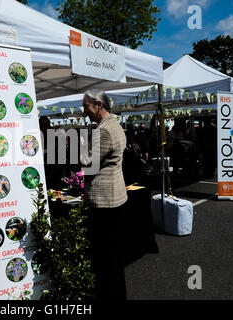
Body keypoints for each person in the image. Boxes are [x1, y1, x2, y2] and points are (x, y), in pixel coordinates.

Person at [81, 89, 128, 303]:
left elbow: (89, 166)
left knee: (105, 256)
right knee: (113, 254)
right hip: (114, 196)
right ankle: (115, 293)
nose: (84, 112)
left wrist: (79, 148)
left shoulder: (104, 131)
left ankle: (109, 295)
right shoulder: (114, 125)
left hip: (104, 201)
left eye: (86, 107)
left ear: (99, 104)